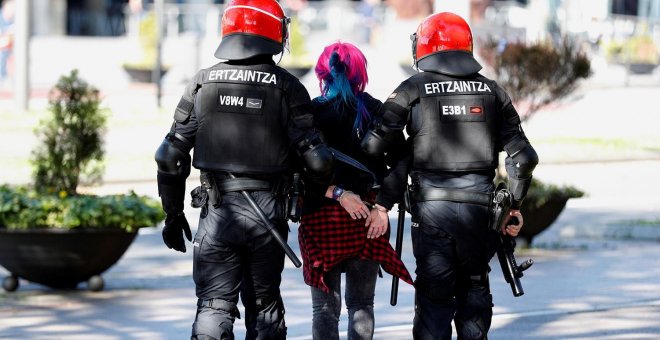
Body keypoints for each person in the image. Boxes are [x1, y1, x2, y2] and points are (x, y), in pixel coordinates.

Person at [154, 1, 334, 339]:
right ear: (275, 31)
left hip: (217, 212)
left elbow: (168, 155)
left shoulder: (202, 82)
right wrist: (306, 198)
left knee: (213, 307)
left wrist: (173, 213)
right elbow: (319, 161)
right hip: (269, 213)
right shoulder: (288, 86)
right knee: (264, 307)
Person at [362, 12, 539, 340]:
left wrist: (405, 153)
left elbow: (373, 144)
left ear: (424, 47)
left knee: (434, 299)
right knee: (475, 289)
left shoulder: (412, 88)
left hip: (431, 214)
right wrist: (512, 203)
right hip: (481, 215)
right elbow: (524, 157)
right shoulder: (493, 91)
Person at [296, 41, 413, 340]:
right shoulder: (377, 111)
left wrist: (335, 192)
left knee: (324, 309)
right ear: (361, 73)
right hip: (368, 217)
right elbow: (401, 162)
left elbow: (294, 168)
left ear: (323, 73)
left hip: (320, 215)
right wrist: (383, 208)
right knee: (361, 304)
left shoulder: (310, 113)